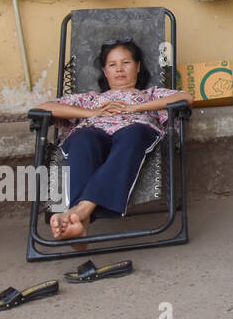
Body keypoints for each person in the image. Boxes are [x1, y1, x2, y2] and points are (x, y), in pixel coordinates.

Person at [36, 39, 190, 240]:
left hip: (134, 130)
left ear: (138, 67)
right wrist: (91, 112)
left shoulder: (150, 95)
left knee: (134, 134)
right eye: (112, 65)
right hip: (92, 130)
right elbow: (42, 108)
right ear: (105, 71)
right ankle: (80, 221)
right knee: (83, 139)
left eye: (126, 63)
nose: (119, 69)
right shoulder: (90, 99)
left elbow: (186, 98)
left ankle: (79, 214)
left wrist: (133, 108)